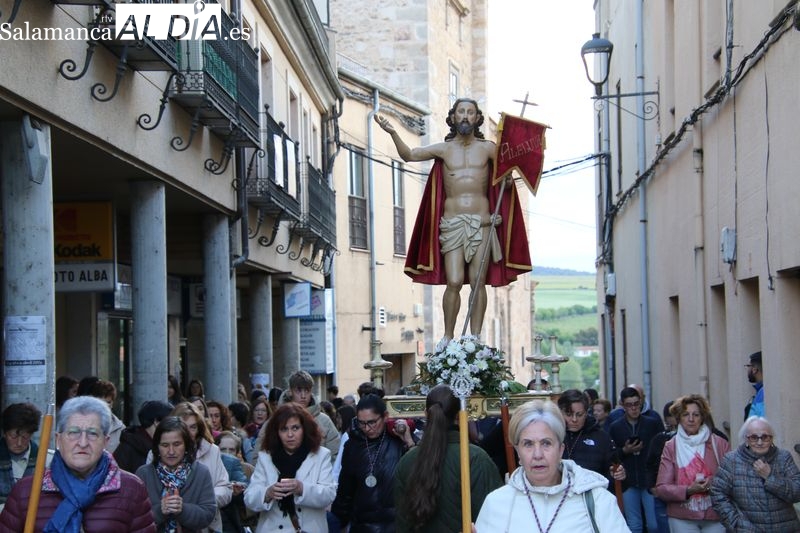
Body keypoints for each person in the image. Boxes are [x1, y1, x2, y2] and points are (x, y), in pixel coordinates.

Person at [376, 98, 531, 340]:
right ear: (453, 117)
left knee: (477, 281)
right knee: (455, 280)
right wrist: (394, 131)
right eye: (461, 112)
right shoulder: (444, 149)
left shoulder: (489, 148)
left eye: (470, 112)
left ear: (478, 118)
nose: (466, 116)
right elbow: (409, 155)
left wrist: (508, 178)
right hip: (452, 224)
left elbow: (506, 179)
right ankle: (448, 336)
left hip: (482, 223)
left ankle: (475, 338)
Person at [0, 396, 156, 532]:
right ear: (58, 439)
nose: (82, 443)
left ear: (106, 441)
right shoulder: (26, 491)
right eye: (73, 432)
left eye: (93, 434)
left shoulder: (131, 489)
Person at [475, 399, 630, 532]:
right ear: (518, 453)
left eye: (546, 443)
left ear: (561, 449)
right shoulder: (497, 503)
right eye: (528, 444)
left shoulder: (597, 500)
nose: (537, 454)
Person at [394, 384, 501, 532]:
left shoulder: (407, 461)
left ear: (426, 414)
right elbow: (495, 518)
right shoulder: (476, 458)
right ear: (460, 415)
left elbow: (401, 523)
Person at [243, 403, 336, 533]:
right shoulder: (265, 457)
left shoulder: (321, 455)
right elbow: (249, 498)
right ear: (276, 432)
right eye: (284, 429)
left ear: (305, 429)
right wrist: (267, 493)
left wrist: (301, 488)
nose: (290, 434)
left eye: (295, 428)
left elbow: (329, 494)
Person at [332, 394, 412, 532]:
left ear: (385, 416)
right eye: (361, 423)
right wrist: (340, 520)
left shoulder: (399, 441)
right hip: (363, 525)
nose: (367, 428)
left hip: (398, 525)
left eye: (372, 422)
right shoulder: (353, 446)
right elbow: (345, 491)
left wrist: (409, 442)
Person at [655, 395, 730, 532]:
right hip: (681, 517)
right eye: (686, 414)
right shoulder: (671, 446)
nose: (691, 419)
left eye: (696, 414)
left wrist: (711, 482)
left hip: (716, 514)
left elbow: (731, 478)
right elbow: (662, 488)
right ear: (679, 418)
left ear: (702, 418)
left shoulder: (719, 443)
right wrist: (688, 490)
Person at [710, 416, 800, 531]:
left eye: (765, 437)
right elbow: (718, 494)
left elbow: (797, 492)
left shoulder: (783, 457)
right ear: (746, 439)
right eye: (754, 437)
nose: (759, 442)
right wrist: (736, 524)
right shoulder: (731, 460)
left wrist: (770, 478)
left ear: (771, 439)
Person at [135, 416, 216, 533]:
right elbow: (135, 517)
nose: (171, 451)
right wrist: (159, 511)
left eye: (177, 444)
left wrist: (182, 510)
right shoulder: (144, 473)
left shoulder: (201, 472)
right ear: (157, 448)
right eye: (165, 445)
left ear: (186, 445)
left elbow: (208, 514)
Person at [168, 402, 232, 532]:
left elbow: (225, 488)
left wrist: (205, 499)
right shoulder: (158, 453)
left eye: (193, 427)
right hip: (170, 523)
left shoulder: (212, 451)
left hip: (205, 525)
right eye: (183, 427)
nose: (188, 432)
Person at [608, 386, 662, 533]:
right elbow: (610, 455)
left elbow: (661, 450)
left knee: (654, 524)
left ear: (641, 403)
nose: (634, 408)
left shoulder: (652, 423)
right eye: (629, 405)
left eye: (637, 404)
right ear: (623, 406)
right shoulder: (615, 427)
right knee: (634, 525)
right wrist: (625, 450)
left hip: (649, 479)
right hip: (628, 480)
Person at [258, 371, 340, 463]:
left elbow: (336, 457)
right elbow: (259, 456)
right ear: (290, 392)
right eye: (298, 390)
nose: (303, 396)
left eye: (307, 390)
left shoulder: (324, 421)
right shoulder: (274, 421)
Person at [557, 389, 625, 486]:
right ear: (560, 412)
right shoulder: (553, 435)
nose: (574, 419)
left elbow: (614, 468)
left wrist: (619, 474)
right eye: (568, 414)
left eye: (579, 415)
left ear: (586, 412)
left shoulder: (602, 437)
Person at [0, 403, 42, 510]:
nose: (19, 443)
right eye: (13, 436)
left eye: (25, 436)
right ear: (4, 433)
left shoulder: (45, 460)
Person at [114, 400, 173, 474]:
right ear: (156, 422)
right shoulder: (128, 447)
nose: (173, 426)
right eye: (169, 421)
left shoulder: (157, 444)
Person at [646, 401, 678, 533]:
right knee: (661, 527)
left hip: (681, 492)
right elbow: (650, 464)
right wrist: (652, 487)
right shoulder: (659, 439)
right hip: (661, 493)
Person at [89, 379, 126, 453]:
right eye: (101, 402)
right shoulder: (83, 424)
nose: (105, 406)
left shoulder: (120, 428)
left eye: (108, 402)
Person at [244, 397, 271, 464]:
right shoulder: (244, 433)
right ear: (252, 413)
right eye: (256, 410)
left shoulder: (271, 432)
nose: (260, 413)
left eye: (263, 410)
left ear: (267, 414)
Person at [744, 351, 763, 419]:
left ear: (754, 369)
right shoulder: (760, 392)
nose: (747, 369)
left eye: (748, 366)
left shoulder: (762, 393)